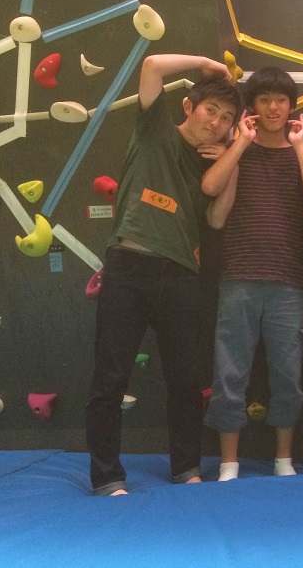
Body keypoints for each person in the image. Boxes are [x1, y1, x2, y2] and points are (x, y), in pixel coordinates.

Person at [85, 54, 242, 496]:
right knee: (110, 377)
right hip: (129, 266)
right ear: (189, 107)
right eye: (211, 110)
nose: (216, 122)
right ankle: (107, 476)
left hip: (181, 275)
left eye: (226, 119)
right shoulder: (155, 129)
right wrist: (208, 63)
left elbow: (216, 219)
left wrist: (233, 157)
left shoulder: (213, 162)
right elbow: (152, 64)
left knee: (185, 379)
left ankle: (186, 467)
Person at [200, 66, 303, 481]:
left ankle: (283, 459)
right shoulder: (236, 148)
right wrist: (240, 142)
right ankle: (229, 463)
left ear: (292, 107)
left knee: (288, 374)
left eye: (281, 101)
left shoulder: (302, 153)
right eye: (264, 100)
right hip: (237, 276)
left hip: (287, 280)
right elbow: (210, 191)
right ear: (252, 106)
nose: (273, 108)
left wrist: (300, 144)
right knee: (229, 373)